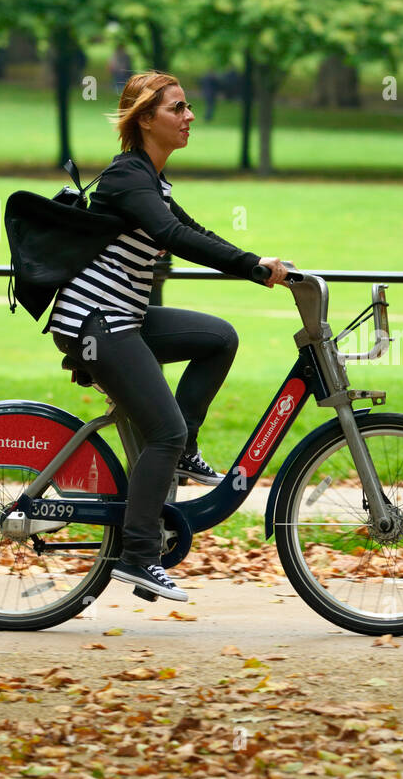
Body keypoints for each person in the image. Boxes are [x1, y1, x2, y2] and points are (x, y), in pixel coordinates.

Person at [47, 70, 289, 601]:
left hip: (124, 317)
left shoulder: (150, 180)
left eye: (186, 107)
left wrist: (261, 264)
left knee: (218, 338)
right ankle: (137, 556)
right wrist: (251, 267)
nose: (189, 117)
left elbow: (193, 231)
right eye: (177, 108)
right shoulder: (125, 179)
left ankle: (182, 453)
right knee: (164, 429)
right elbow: (172, 235)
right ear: (146, 120)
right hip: (98, 323)